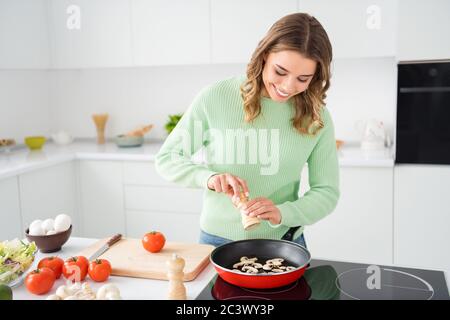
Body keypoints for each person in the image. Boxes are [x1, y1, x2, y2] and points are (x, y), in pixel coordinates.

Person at [155, 12, 340, 248]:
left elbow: (327, 192)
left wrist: (282, 213)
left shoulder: (317, 117)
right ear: (263, 56)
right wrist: (209, 179)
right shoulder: (215, 97)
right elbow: (167, 158)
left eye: (303, 78)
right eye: (280, 72)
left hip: (283, 242)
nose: (287, 86)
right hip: (216, 242)